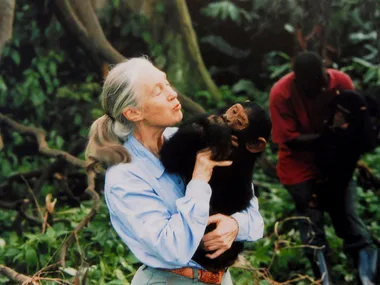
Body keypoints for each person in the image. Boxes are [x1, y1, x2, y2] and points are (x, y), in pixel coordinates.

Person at [85, 57, 264, 284]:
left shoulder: (182, 138)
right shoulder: (125, 177)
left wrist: (235, 225)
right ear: (133, 113)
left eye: (167, 83)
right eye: (157, 92)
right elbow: (174, 250)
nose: (172, 93)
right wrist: (200, 178)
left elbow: (253, 216)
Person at [269, 51, 378, 284]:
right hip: (299, 165)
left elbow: (359, 130)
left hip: (336, 162)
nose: (321, 89)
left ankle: (368, 278)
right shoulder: (282, 93)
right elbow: (290, 140)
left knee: (349, 220)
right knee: (312, 228)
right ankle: (323, 279)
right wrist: (330, 133)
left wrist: (344, 161)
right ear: (298, 81)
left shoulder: (341, 82)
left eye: (323, 81)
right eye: (313, 85)